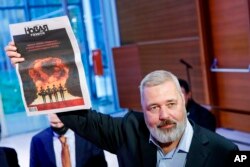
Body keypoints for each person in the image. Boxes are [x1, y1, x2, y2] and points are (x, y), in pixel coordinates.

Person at [6, 42, 239, 167]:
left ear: (184, 101)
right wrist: (30, 67)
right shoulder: (128, 130)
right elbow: (78, 117)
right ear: (142, 109)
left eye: (171, 104)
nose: (164, 115)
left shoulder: (224, 151)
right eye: (153, 107)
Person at [30, 113, 107, 167]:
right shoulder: (38, 140)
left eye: (61, 122)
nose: (59, 126)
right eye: (54, 123)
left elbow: (101, 164)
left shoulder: (89, 136)